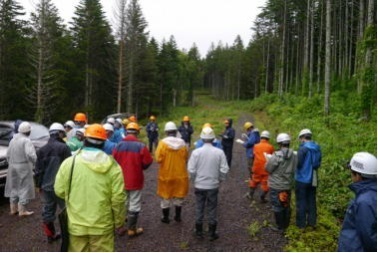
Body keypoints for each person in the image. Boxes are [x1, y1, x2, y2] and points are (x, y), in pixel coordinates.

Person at [54, 124, 126, 252]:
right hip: (102, 226)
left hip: (76, 225)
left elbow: (59, 190)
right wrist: (119, 222)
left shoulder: (69, 163)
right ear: (104, 143)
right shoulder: (113, 166)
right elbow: (118, 199)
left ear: (84, 141)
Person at [187, 127, 229, 241]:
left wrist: (194, 179)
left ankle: (199, 232)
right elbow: (224, 169)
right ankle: (212, 233)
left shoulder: (196, 152)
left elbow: (191, 169)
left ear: (201, 138)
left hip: (199, 185)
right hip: (213, 186)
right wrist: (219, 179)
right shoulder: (219, 152)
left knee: (199, 207)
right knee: (212, 208)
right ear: (213, 138)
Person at [112, 122, 153, 237]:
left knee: (122, 202)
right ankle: (131, 229)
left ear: (126, 131)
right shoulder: (141, 146)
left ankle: (120, 225)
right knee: (134, 203)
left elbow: (113, 161)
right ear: (137, 132)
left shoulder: (118, 145)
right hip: (135, 178)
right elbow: (147, 162)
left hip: (120, 179)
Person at [35, 123, 71, 243]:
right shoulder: (64, 148)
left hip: (46, 187)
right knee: (68, 210)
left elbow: (38, 171)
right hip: (62, 187)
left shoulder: (41, 150)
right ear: (60, 133)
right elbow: (69, 168)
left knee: (48, 211)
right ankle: (69, 235)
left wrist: (38, 185)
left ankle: (50, 235)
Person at [337, 152, 377, 252]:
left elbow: (368, 235)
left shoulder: (364, 201)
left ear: (358, 176)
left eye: (352, 173)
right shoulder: (371, 194)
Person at [155, 121, 189, 224]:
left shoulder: (162, 143)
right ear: (175, 131)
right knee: (179, 196)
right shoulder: (183, 143)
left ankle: (166, 218)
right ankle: (177, 217)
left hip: (166, 175)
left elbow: (158, 159)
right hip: (180, 174)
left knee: (166, 196)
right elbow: (186, 158)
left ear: (166, 132)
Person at [265, 133, 297, 232]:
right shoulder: (294, 155)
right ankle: (286, 224)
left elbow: (268, 169)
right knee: (285, 204)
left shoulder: (276, 155)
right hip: (287, 184)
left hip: (276, 185)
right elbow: (296, 168)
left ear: (279, 144)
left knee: (277, 205)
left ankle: (280, 227)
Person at [4, 121, 37, 216]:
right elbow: (31, 154)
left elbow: (8, 154)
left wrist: (11, 163)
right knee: (24, 186)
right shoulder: (26, 141)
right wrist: (35, 163)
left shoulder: (13, 140)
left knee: (14, 186)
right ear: (28, 131)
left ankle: (13, 208)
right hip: (23, 166)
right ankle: (22, 210)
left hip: (12, 166)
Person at [295, 129, 322, 229]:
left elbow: (298, 164)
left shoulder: (303, 149)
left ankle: (301, 224)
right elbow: (318, 164)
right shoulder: (317, 148)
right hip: (313, 179)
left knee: (301, 201)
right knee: (311, 200)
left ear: (302, 138)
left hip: (302, 179)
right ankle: (312, 222)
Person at [247, 130, 274, 202]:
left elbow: (253, 156)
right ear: (268, 138)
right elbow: (271, 157)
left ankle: (250, 194)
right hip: (266, 168)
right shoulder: (270, 147)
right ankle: (262, 197)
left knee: (254, 181)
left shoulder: (256, 146)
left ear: (261, 137)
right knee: (266, 183)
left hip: (256, 167)